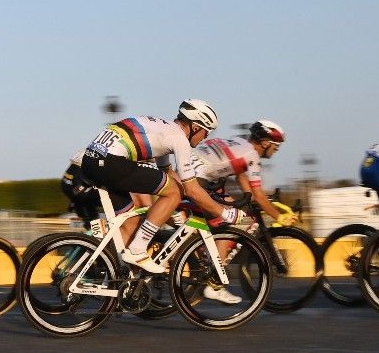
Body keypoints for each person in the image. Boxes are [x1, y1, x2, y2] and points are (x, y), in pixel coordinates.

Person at [64, 99, 218, 274]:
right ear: (196, 126)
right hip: (109, 162)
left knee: (131, 223)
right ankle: (138, 249)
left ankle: (113, 277)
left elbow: (168, 173)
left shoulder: (165, 130)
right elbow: (187, 187)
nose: (206, 137)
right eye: (206, 132)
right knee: (173, 193)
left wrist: (199, 193)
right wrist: (224, 212)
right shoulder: (178, 138)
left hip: (93, 160)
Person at [183, 119, 288, 303]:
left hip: (196, 174)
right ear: (265, 142)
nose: (276, 150)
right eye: (275, 146)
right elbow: (259, 196)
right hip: (200, 181)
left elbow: (241, 174)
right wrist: (280, 216)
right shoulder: (253, 156)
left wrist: (248, 196)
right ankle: (214, 283)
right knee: (243, 223)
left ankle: (205, 259)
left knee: (233, 212)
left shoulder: (240, 141)